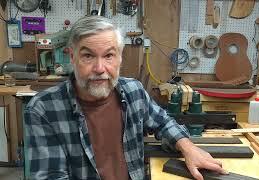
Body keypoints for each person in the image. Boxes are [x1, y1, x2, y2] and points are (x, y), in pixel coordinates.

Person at [24, 15, 227, 180]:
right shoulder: (44, 109)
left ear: (120, 58)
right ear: (72, 58)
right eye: (88, 56)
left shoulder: (133, 91)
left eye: (109, 55)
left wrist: (188, 147)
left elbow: (163, 122)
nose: (100, 68)